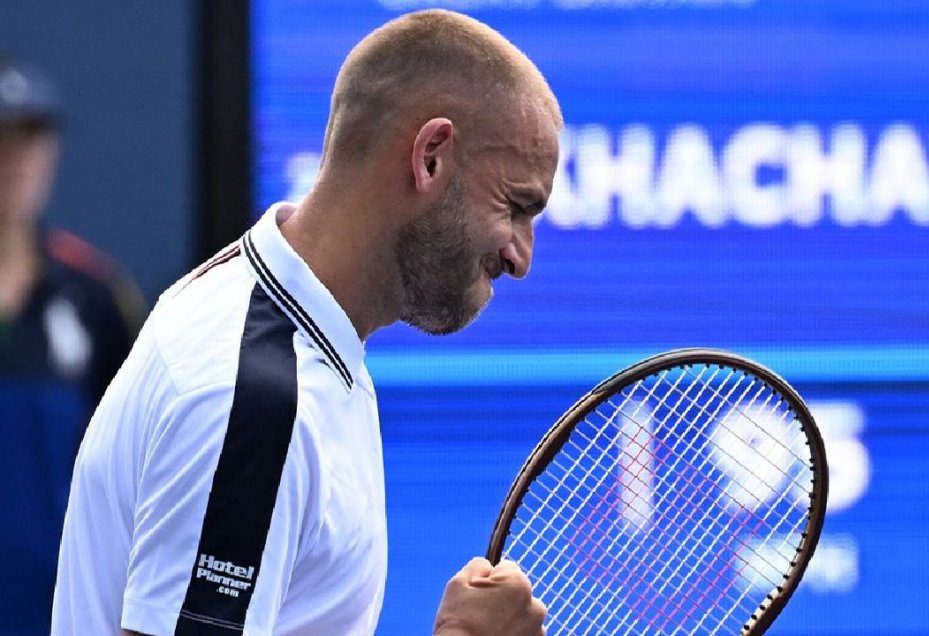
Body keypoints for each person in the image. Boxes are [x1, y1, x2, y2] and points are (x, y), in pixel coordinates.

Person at [51, 9, 562, 636]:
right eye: (515, 205)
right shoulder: (256, 399)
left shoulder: (265, 310)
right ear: (430, 157)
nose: (521, 257)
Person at [0, 55, 145, 635]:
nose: (14, 164)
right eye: (1, 140)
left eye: (30, 141)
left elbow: (135, 468)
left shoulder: (96, 296)